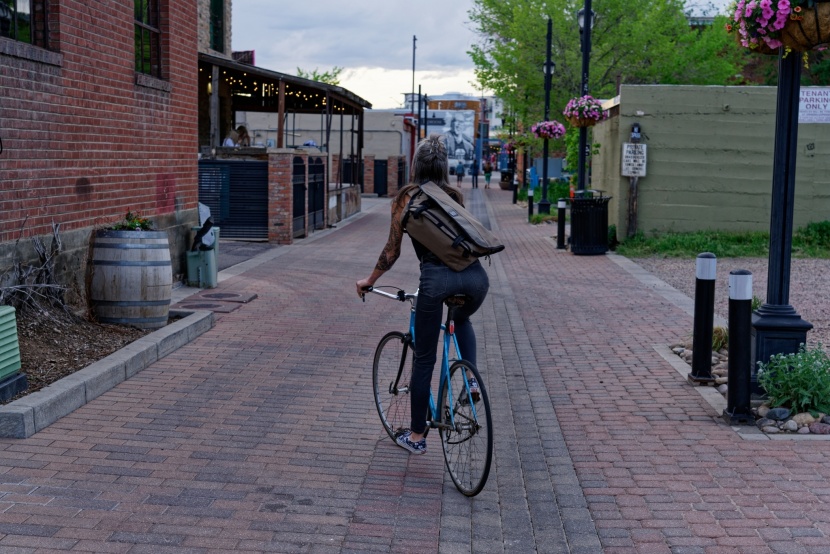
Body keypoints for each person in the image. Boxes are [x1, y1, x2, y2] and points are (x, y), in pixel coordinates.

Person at [355, 135, 490, 455]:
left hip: (435, 283)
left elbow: (392, 251)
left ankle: (416, 437)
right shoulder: (454, 195)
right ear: (444, 167)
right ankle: (470, 381)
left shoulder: (406, 197)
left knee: (425, 359)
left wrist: (369, 280)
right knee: (461, 319)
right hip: (476, 281)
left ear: (415, 166)